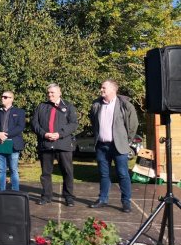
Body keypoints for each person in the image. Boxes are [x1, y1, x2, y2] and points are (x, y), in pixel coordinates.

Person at [89, 79, 139, 213]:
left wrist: (126, 140)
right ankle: (103, 199)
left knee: (123, 174)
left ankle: (126, 202)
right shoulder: (96, 104)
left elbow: (133, 125)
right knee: (103, 174)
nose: (101, 90)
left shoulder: (125, 105)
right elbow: (94, 122)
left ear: (113, 90)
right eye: (101, 88)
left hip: (119, 146)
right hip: (102, 146)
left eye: (104, 88)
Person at [32, 83, 78, 206]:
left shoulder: (68, 106)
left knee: (67, 172)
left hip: (63, 144)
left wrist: (59, 134)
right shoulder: (41, 106)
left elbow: (73, 124)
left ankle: (68, 197)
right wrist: (44, 134)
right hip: (46, 144)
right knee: (46, 173)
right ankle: (46, 196)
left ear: (59, 93)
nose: (50, 95)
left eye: (52, 92)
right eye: (48, 93)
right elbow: (35, 124)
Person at [0, 91, 26, 191]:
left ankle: (15, 191)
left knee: (13, 169)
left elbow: (20, 127)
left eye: (5, 97)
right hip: (0, 144)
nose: (3, 98)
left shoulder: (19, 112)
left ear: (11, 99)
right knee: (1, 170)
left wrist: (6, 135)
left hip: (13, 144)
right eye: (2, 96)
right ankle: (1, 191)